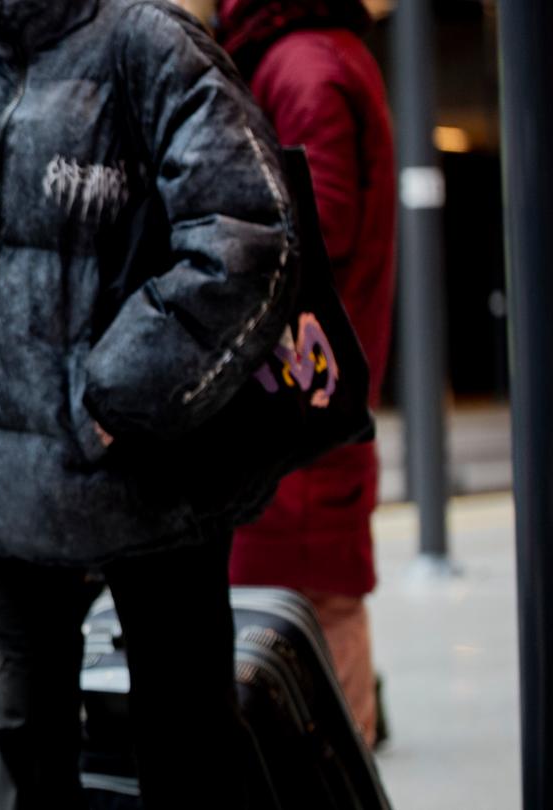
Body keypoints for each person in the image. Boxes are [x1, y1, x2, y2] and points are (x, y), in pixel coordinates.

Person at [0, 0, 299, 807]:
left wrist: (124, 390)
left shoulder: (149, 47)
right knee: (27, 761)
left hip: (151, 477)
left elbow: (246, 232)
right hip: (10, 499)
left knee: (188, 748)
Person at [210, 0, 397, 748]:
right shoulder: (314, 54)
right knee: (319, 598)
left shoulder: (305, 65)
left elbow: (318, 233)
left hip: (302, 399)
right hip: (313, 394)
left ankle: (333, 776)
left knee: (316, 600)